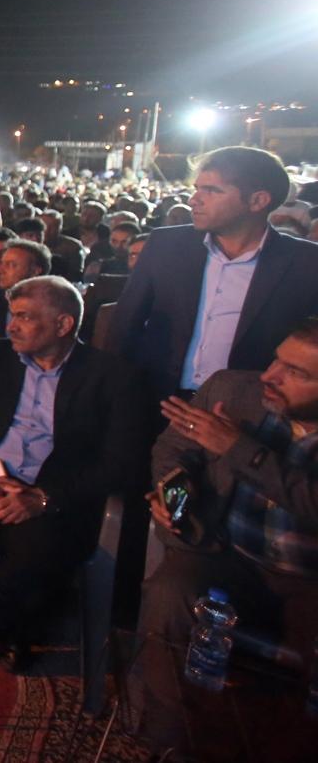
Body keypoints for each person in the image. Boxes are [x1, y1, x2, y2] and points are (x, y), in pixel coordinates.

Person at [0, 276, 149, 672]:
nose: (10, 326)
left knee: (19, 572)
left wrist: (44, 498)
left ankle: (12, 630)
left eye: (24, 317)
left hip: (51, 493)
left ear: (63, 324)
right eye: (11, 315)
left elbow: (122, 464)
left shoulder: (113, 377)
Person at [133, 319, 318, 750]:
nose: (270, 375)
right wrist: (176, 492)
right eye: (277, 359)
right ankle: (168, 738)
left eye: (296, 372)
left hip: (309, 582)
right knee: (169, 594)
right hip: (227, 554)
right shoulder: (234, 391)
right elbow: (173, 450)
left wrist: (238, 449)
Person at [110, 146, 318, 402]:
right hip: (156, 400)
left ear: (257, 201)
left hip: (245, 410)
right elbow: (125, 324)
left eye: (211, 190)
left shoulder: (305, 263)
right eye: (197, 188)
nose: (194, 199)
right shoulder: (165, 245)